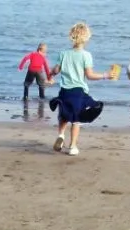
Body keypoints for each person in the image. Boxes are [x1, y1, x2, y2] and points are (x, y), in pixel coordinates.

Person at [47, 22, 112, 156]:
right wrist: (105, 75)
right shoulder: (86, 55)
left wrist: (51, 74)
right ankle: (72, 146)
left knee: (64, 115)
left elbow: (56, 70)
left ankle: (61, 135)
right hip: (78, 92)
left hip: (65, 92)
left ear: (71, 36)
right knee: (76, 119)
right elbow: (89, 75)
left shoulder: (63, 54)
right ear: (86, 38)